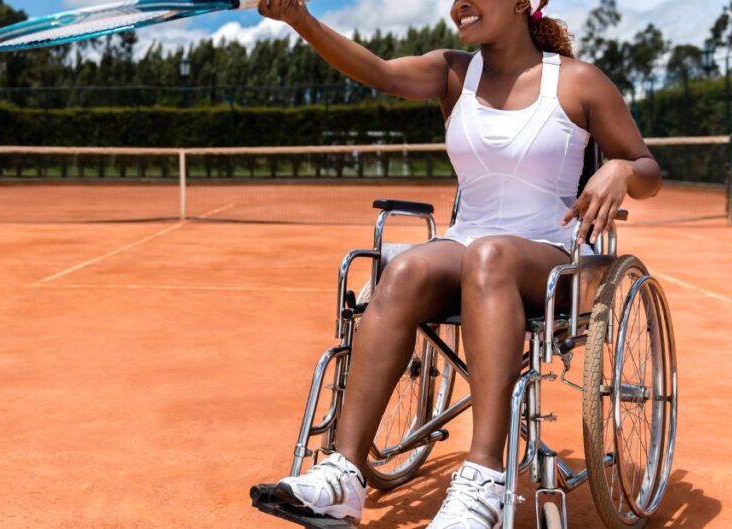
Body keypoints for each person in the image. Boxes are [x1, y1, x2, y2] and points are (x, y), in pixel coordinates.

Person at [257, 0, 662, 527]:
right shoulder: (453, 73)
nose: (458, 5)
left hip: (550, 258)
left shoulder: (578, 82)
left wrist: (622, 168)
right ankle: (344, 473)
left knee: (489, 255)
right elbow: (377, 71)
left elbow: (650, 170)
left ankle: (486, 479)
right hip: (468, 246)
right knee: (404, 269)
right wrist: (300, 19)